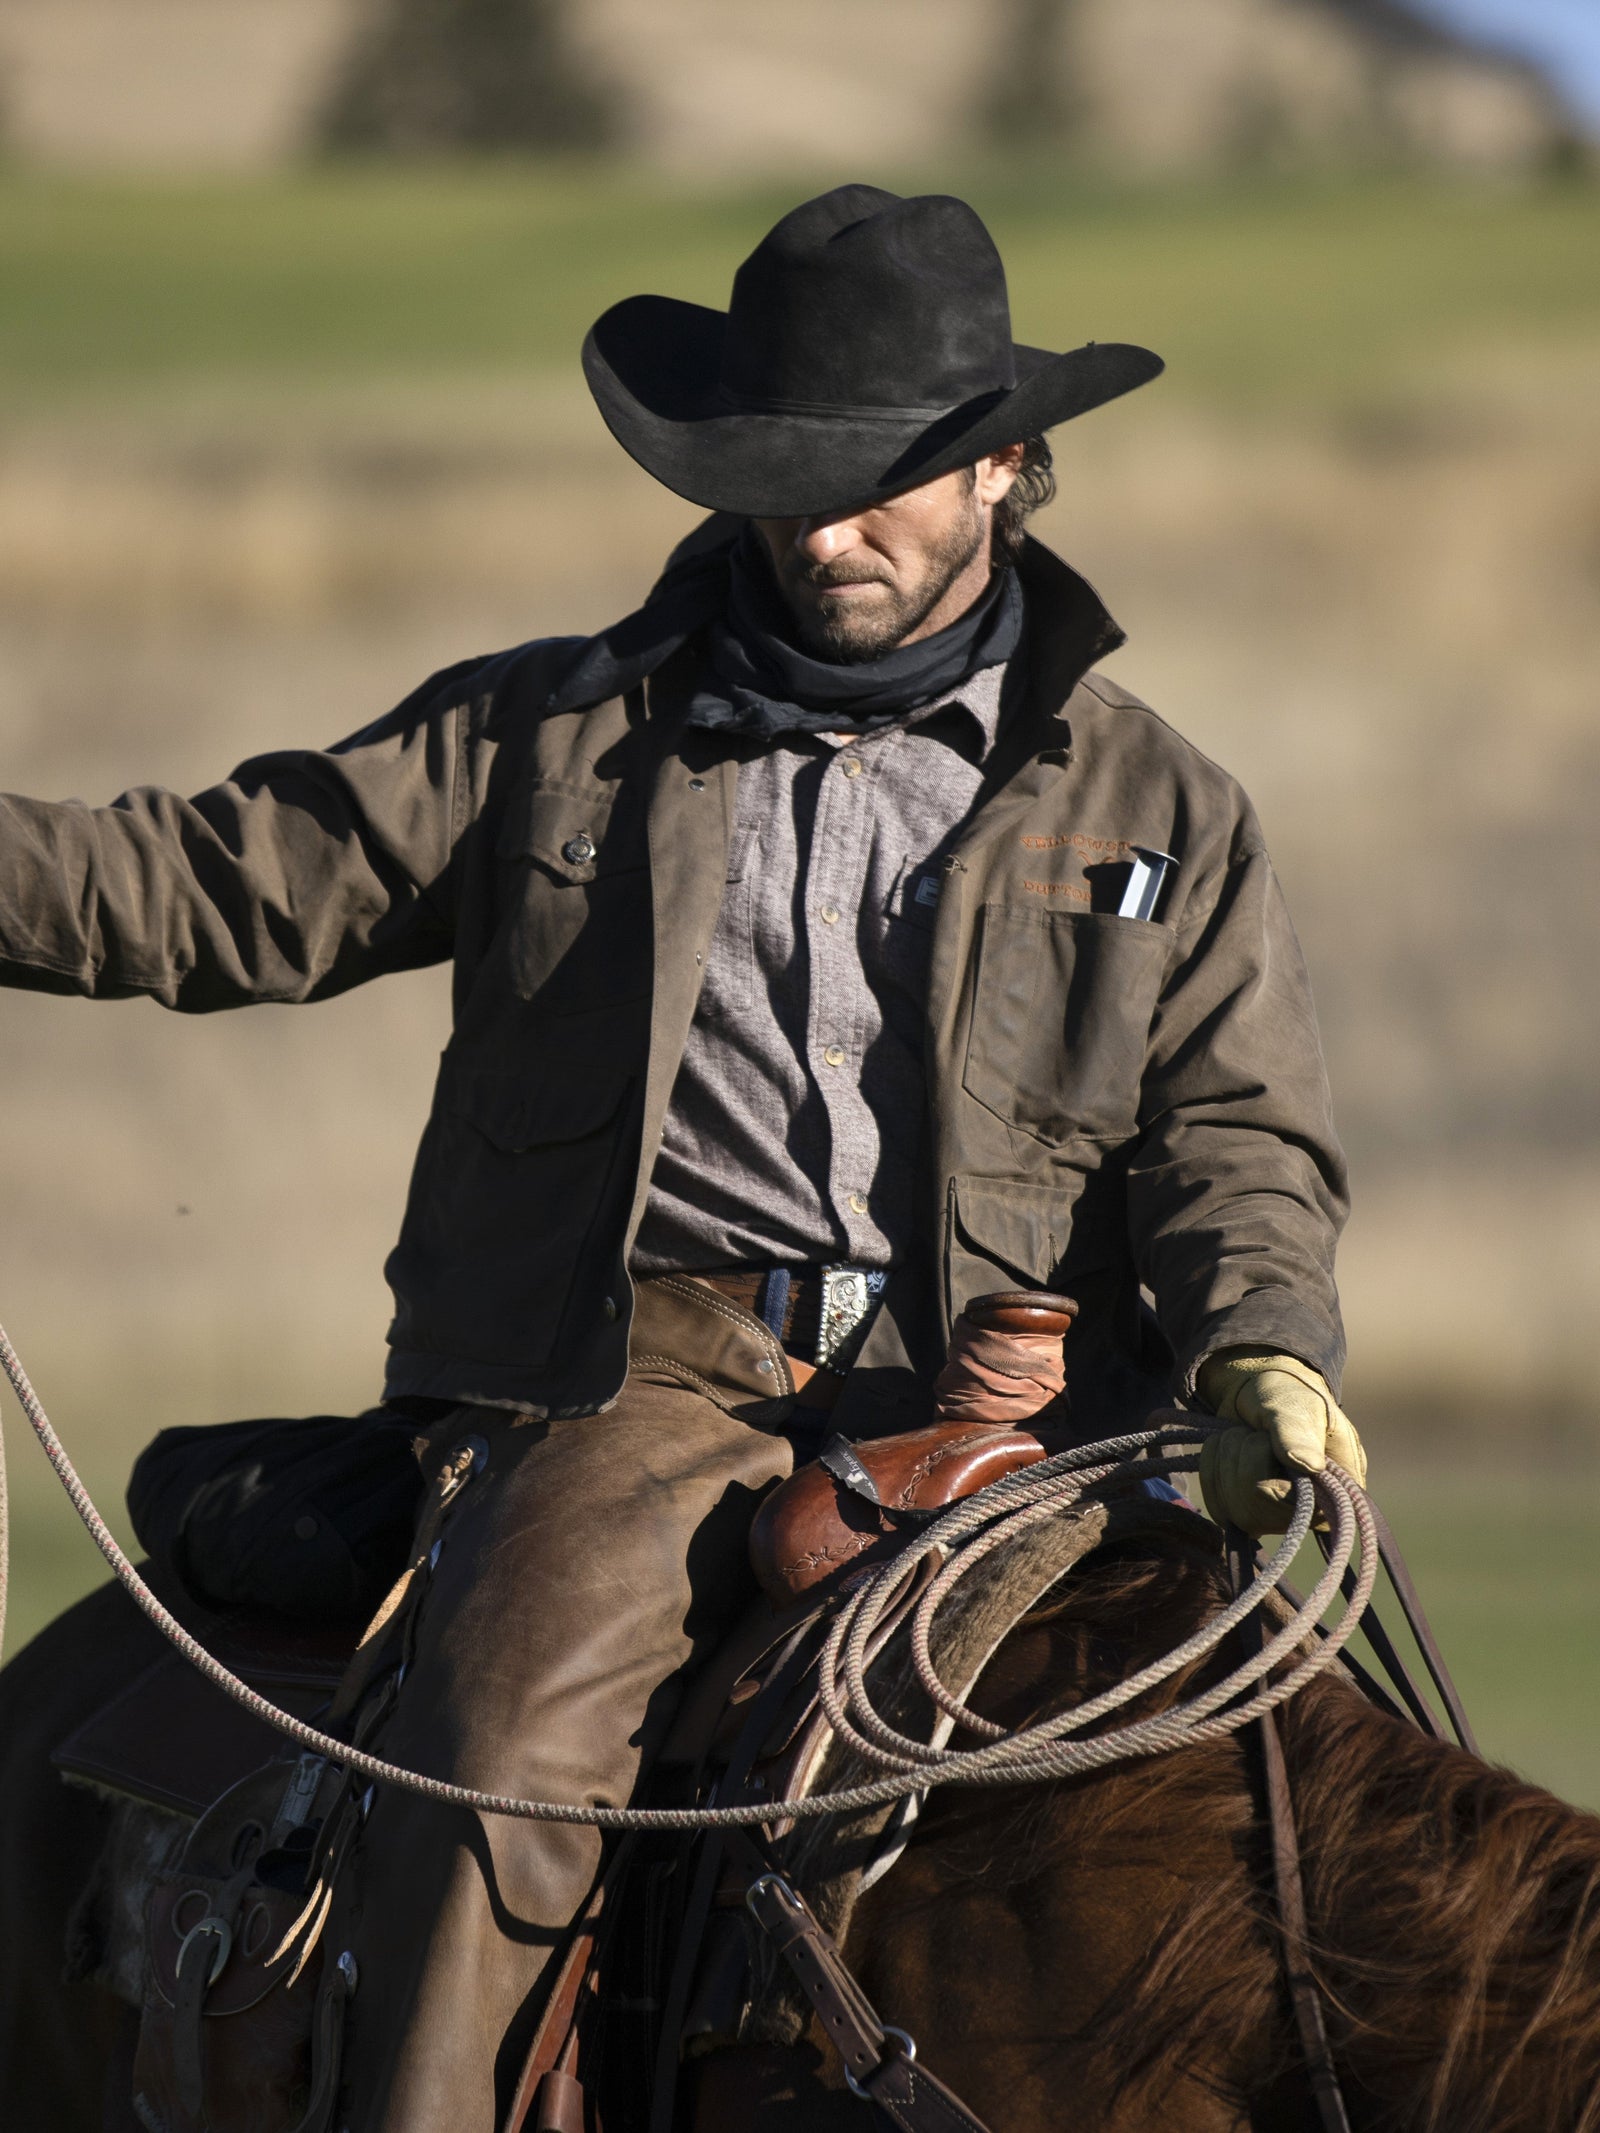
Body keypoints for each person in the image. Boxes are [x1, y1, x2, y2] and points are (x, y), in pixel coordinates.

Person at [0, 185, 1364, 2128]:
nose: (821, 532)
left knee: (1329, 1828)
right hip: (642, 1387)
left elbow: (1233, 1134)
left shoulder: (1162, 805)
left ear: (1004, 466)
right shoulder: (550, 735)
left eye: (875, 486)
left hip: (1034, 1412)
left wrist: (1265, 1347)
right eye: (780, 481)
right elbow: (210, 885)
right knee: (499, 1759)